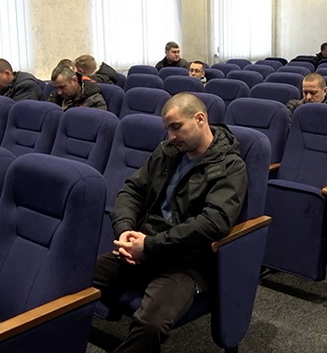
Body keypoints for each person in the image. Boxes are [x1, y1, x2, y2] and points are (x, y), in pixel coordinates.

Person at [93, 92, 247, 353]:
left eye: (176, 127)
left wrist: (150, 246)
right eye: (167, 129)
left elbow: (214, 222)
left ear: (200, 119)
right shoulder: (167, 152)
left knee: (150, 324)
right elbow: (132, 190)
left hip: (186, 260)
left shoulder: (230, 166)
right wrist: (125, 230)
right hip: (144, 244)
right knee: (72, 282)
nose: (171, 136)